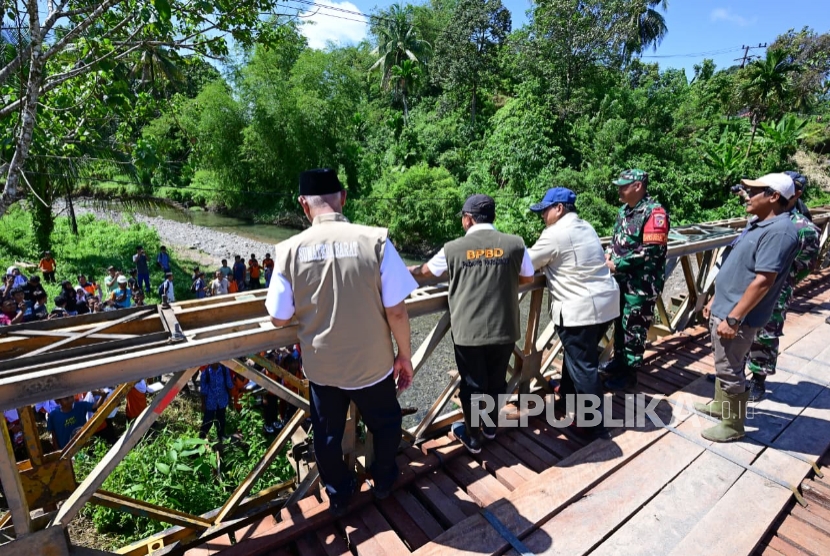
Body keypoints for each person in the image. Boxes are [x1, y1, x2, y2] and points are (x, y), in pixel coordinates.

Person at [265, 168, 417, 515]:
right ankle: (383, 480)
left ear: (303, 204)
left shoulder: (288, 250)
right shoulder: (376, 241)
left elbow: (278, 317)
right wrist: (404, 355)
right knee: (386, 423)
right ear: (343, 198)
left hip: (323, 368)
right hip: (373, 364)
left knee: (327, 434)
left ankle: (339, 493)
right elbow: (396, 311)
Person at [410, 194, 535, 454]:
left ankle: (473, 436)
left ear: (468, 219)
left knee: (473, 385)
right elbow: (527, 278)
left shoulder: (453, 248)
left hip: (469, 331)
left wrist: (402, 272)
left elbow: (426, 273)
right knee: (497, 381)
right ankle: (489, 426)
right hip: (504, 328)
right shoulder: (515, 243)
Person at [696, 173, 798, 442]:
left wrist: (734, 318)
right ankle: (721, 406)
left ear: (774, 196)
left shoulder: (779, 232)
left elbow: (763, 281)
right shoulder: (760, 224)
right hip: (726, 307)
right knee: (723, 362)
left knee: (730, 367)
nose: (747, 196)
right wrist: (715, 299)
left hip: (737, 315)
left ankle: (733, 425)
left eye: (754, 192)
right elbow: (737, 266)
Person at [527, 188, 620, 439]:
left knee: (584, 365)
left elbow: (525, 264)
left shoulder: (555, 233)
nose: (542, 216)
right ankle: (568, 394)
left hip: (580, 310)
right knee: (578, 354)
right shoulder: (586, 227)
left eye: (545, 210)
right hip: (606, 305)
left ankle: (593, 425)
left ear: (558, 208)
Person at [745, 172, 821, 401]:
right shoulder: (761, 216)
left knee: (766, 334)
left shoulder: (803, 226)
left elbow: (808, 263)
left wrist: (785, 278)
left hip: (776, 289)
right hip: (748, 283)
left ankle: (758, 380)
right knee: (740, 328)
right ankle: (734, 373)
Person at [603, 169, 670, 391]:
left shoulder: (655, 213)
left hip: (641, 284)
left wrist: (618, 264)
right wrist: (608, 254)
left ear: (638, 186)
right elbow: (616, 240)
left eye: (623, 186)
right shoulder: (624, 211)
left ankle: (629, 376)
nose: (619, 190)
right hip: (621, 282)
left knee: (634, 329)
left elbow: (651, 250)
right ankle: (619, 362)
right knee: (620, 324)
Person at [199, 363, 234, 441]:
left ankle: (221, 436)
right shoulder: (205, 373)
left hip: (222, 400)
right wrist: (203, 404)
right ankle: (201, 438)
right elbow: (203, 391)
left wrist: (230, 399)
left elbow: (229, 385)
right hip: (210, 401)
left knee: (221, 419)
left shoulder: (224, 370)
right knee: (208, 420)